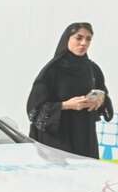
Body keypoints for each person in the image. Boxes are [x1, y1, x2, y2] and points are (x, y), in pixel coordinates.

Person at [27, 21, 114, 158]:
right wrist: (66, 105)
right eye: (79, 38)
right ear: (67, 39)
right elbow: (34, 110)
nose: (84, 43)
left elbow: (104, 99)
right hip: (57, 140)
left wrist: (100, 100)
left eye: (88, 39)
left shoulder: (93, 69)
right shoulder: (52, 71)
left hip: (84, 137)